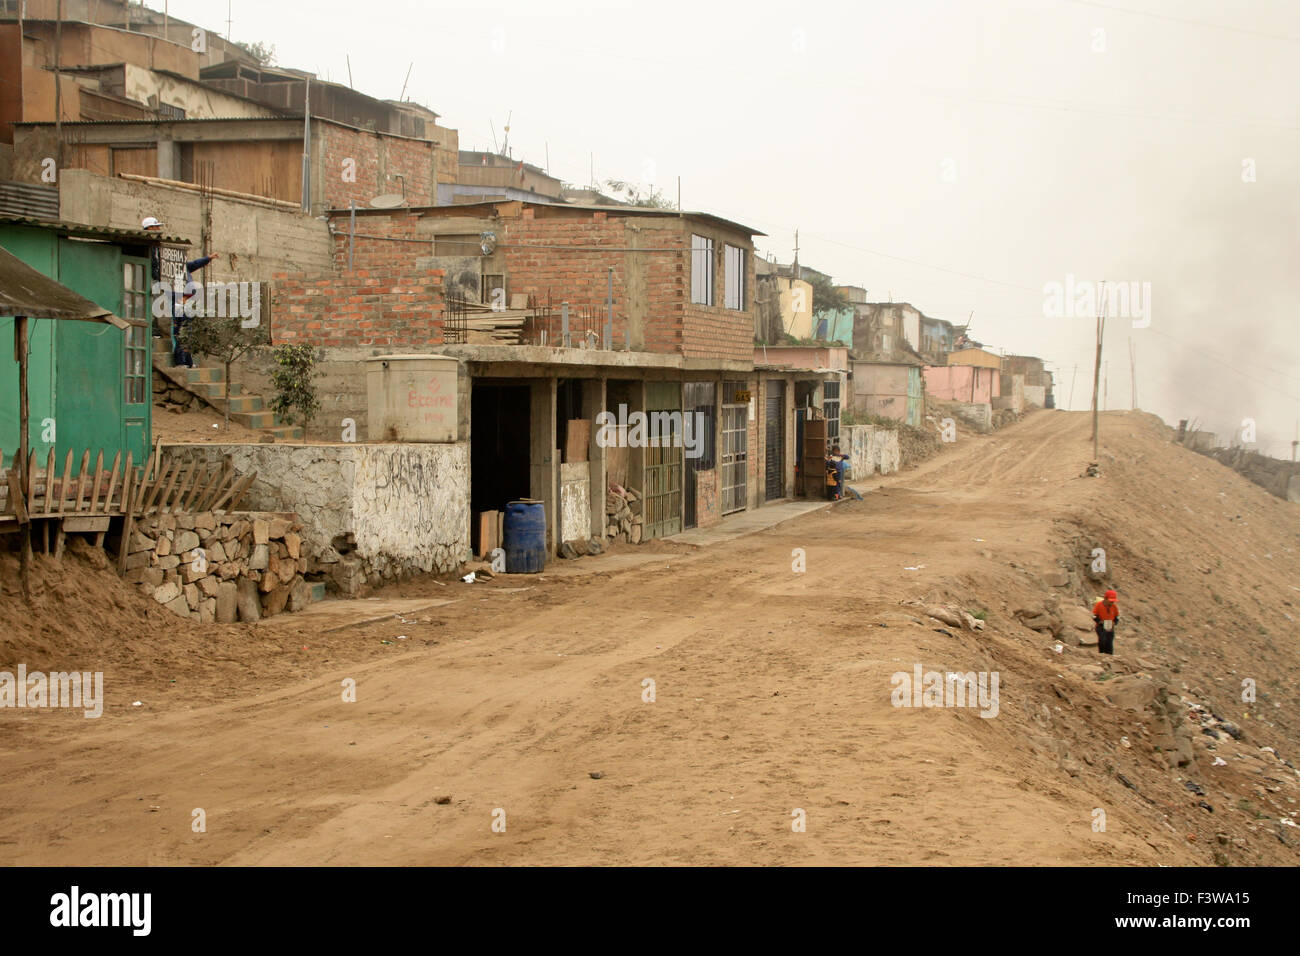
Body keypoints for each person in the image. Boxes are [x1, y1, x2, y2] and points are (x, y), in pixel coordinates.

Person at [141, 217, 219, 367]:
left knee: (187, 331)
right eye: (155, 227)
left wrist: (207, 258)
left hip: (187, 299)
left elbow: (191, 265)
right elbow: (155, 273)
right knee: (181, 330)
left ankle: (188, 361)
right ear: (149, 229)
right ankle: (181, 361)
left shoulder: (172, 259)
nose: (158, 230)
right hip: (178, 299)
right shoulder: (153, 252)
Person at [1093, 589, 1119, 655]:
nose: (1112, 603)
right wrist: (1100, 622)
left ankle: (1109, 656)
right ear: (1105, 599)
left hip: (1110, 626)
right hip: (1101, 626)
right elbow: (1094, 616)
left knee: (1109, 642)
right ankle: (1101, 655)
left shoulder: (1114, 607)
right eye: (1110, 601)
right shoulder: (1098, 605)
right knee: (1102, 641)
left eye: (1113, 602)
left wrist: (1114, 622)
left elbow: (1117, 617)